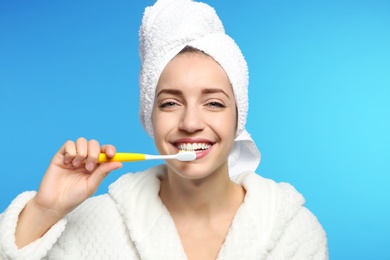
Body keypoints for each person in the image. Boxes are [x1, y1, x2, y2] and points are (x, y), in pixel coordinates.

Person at [0, 0, 328, 259]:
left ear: (238, 117)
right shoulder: (94, 227)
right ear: (150, 116)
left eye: (213, 103)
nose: (190, 122)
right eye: (170, 103)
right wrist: (44, 212)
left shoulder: (294, 232)